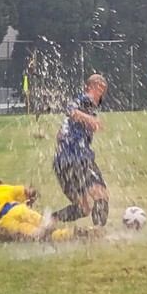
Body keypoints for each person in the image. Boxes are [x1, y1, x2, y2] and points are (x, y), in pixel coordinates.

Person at [51, 74, 110, 227]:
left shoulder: (87, 109)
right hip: (79, 158)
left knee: (82, 208)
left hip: (61, 163)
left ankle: (47, 221)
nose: (101, 99)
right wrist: (90, 120)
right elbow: (70, 109)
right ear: (97, 88)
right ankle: (98, 232)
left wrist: (87, 124)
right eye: (102, 93)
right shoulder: (86, 100)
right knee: (101, 195)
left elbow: (59, 135)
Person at [0, 177, 100, 242]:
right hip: (18, 209)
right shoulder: (4, 188)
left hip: (3, 223)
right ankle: (82, 232)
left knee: (40, 237)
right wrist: (31, 199)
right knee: (48, 227)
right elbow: (31, 192)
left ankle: (73, 234)